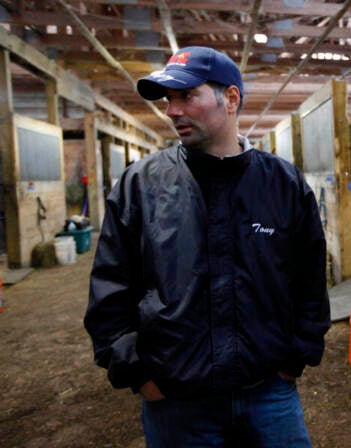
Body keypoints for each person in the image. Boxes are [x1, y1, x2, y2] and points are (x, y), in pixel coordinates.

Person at [84, 46, 331, 447]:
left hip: (269, 392)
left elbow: (309, 276)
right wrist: (138, 374)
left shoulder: (282, 184)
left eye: (186, 96)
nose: (172, 110)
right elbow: (111, 286)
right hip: (176, 400)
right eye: (169, 100)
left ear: (230, 98)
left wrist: (297, 354)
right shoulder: (142, 185)